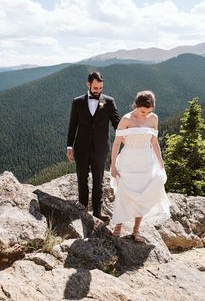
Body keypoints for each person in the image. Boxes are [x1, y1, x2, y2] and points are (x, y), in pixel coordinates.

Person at [110, 90, 171, 242]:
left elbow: (154, 142)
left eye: (149, 111)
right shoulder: (126, 119)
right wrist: (113, 166)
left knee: (144, 194)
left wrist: (161, 163)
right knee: (123, 192)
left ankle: (136, 230)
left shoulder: (154, 118)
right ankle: (118, 224)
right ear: (136, 106)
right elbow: (117, 143)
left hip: (146, 161)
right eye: (143, 111)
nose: (146, 114)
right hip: (128, 160)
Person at [67, 71, 120, 222]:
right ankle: (83, 208)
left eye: (101, 88)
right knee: (81, 179)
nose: (98, 91)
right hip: (81, 147)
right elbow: (73, 125)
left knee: (99, 181)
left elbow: (117, 122)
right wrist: (69, 146)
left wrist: (131, 129)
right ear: (88, 84)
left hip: (101, 148)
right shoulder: (77, 102)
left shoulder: (109, 102)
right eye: (95, 88)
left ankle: (97, 211)